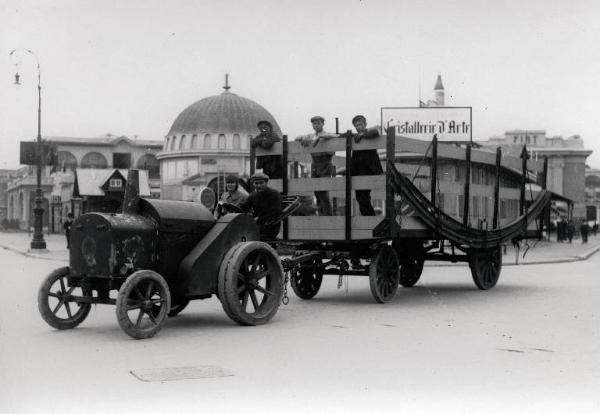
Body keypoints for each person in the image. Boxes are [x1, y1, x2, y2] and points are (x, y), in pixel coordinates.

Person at [295, 116, 337, 216]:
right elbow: (297, 138)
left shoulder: (326, 134)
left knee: (323, 192)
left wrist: (321, 137)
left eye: (318, 123)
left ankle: (327, 216)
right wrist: (303, 137)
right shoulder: (311, 136)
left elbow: (336, 136)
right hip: (315, 163)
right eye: (314, 123)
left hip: (325, 163)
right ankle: (321, 214)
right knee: (317, 192)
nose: (316, 125)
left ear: (323, 124)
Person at [350, 115, 383, 216]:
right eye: (356, 125)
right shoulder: (355, 137)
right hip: (358, 170)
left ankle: (370, 219)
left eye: (360, 124)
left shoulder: (369, 133)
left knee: (364, 197)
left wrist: (362, 135)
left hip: (368, 169)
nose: (358, 127)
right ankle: (369, 219)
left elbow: (376, 132)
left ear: (365, 124)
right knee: (360, 198)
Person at [239, 172, 282, 241]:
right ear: (253, 184)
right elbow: (244, 207)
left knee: (246, 232)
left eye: (261, 183)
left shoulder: (274, 194)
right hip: (257, 224)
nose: (258, 186)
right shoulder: (253, 196)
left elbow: (276, 213)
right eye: (256, 183)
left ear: (266, 183)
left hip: (270, 225)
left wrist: (259, 219)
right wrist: (235, 208)